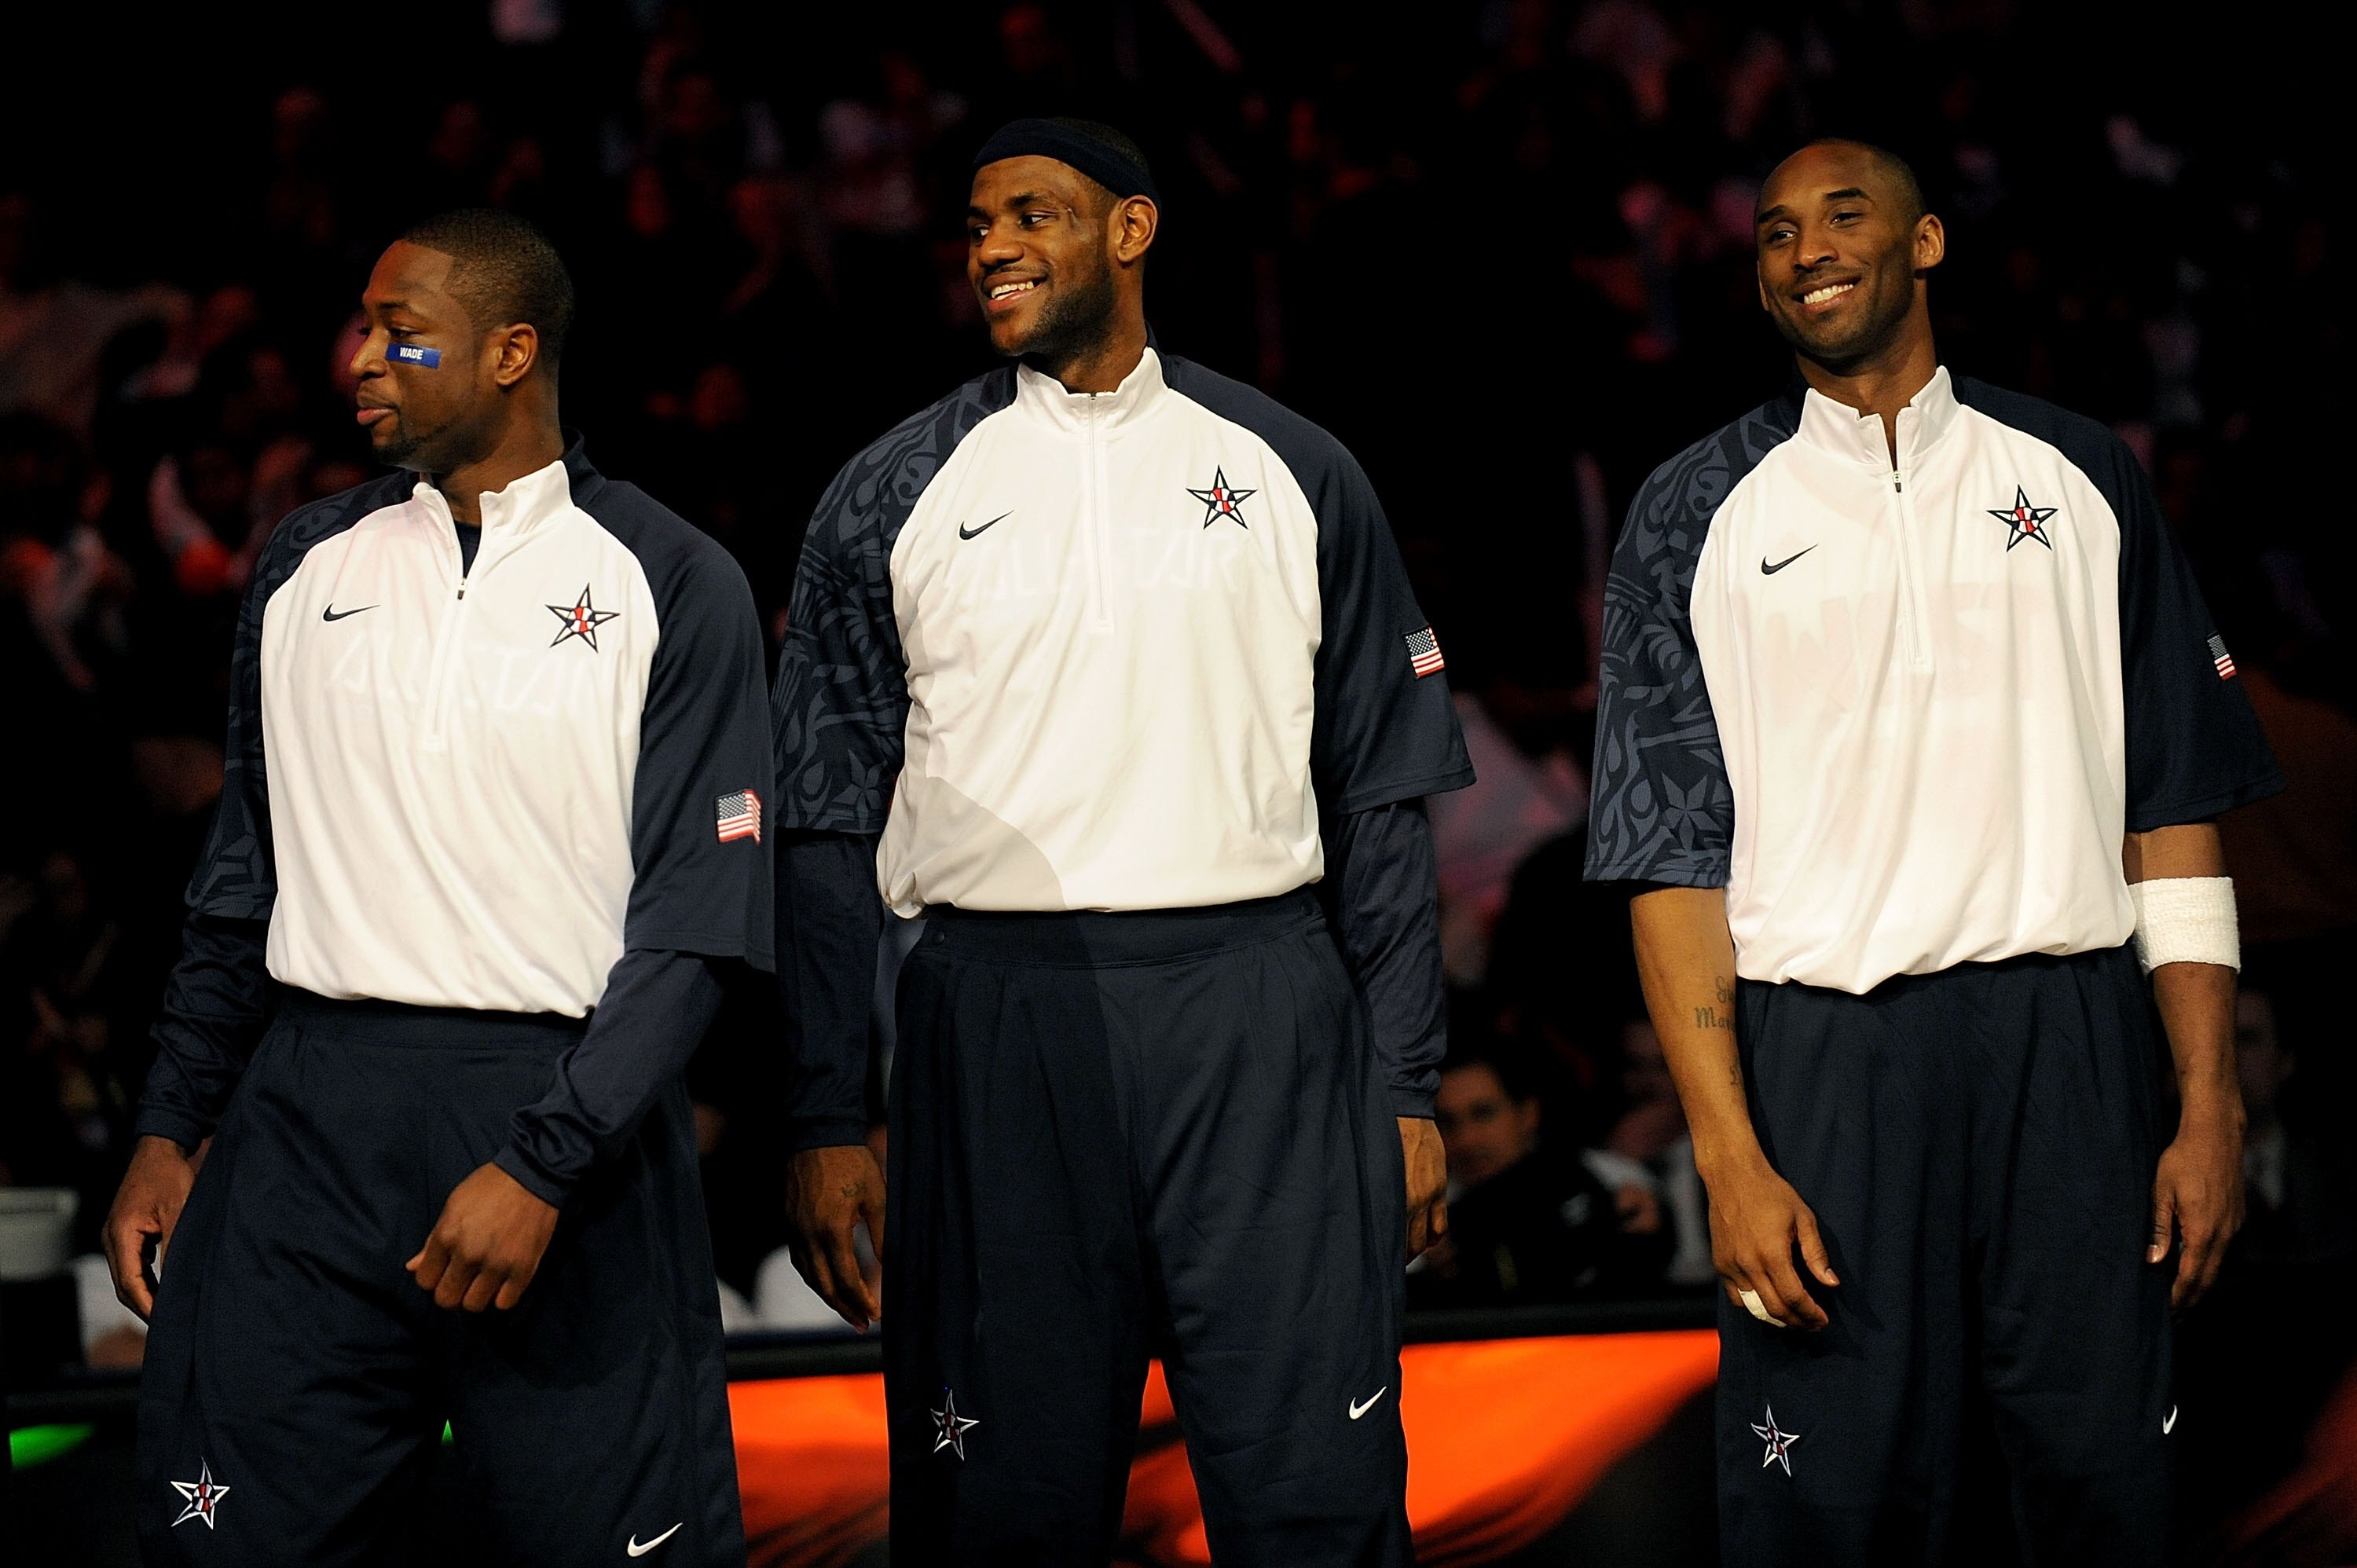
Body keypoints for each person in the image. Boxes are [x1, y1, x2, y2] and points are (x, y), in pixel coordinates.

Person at [772, 118, 1473, 1565]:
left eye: (1033, 213)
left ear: (1134, 232)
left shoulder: (1294, 467)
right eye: (976, 225)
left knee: (1315, 1508)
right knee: (1000, 1512)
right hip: (991, 1014)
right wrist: (828, 1112)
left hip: (1261, 1005)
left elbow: (1383, 807)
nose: (994, 248)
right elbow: (827, 827)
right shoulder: (890, 489)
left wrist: (1406, 1084)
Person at [1583, 140, 2283, 1566]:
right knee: (1829, 1511)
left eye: (1845, 215)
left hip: (2070, 1048)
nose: (1807, 248)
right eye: (1776, 232)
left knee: (2101, 1498)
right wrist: (1727, 1154)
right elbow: (1671, 866)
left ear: (1928, 243)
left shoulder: (2083, 474)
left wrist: (2207, 1104)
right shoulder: (1690, 510)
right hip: (1821, 1063)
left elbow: (2175, 812)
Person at [100, 211, 770, 1566]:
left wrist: (544, 1160)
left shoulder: (674, 578)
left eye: (403, 334)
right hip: (305, 1119)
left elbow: (697, 927)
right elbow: (243, 876)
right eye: (362, 328)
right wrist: (172, 1124)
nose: (362, 361)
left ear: (514, 351)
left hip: (563, 1123)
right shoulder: (300, 564)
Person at [1412, 1042, 1668, 1309]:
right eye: (1448, 1122)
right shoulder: (1424, 1223)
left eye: (1484, 1114)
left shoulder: (1614, 1181)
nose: (1466, 1140)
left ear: (1528, 1113)